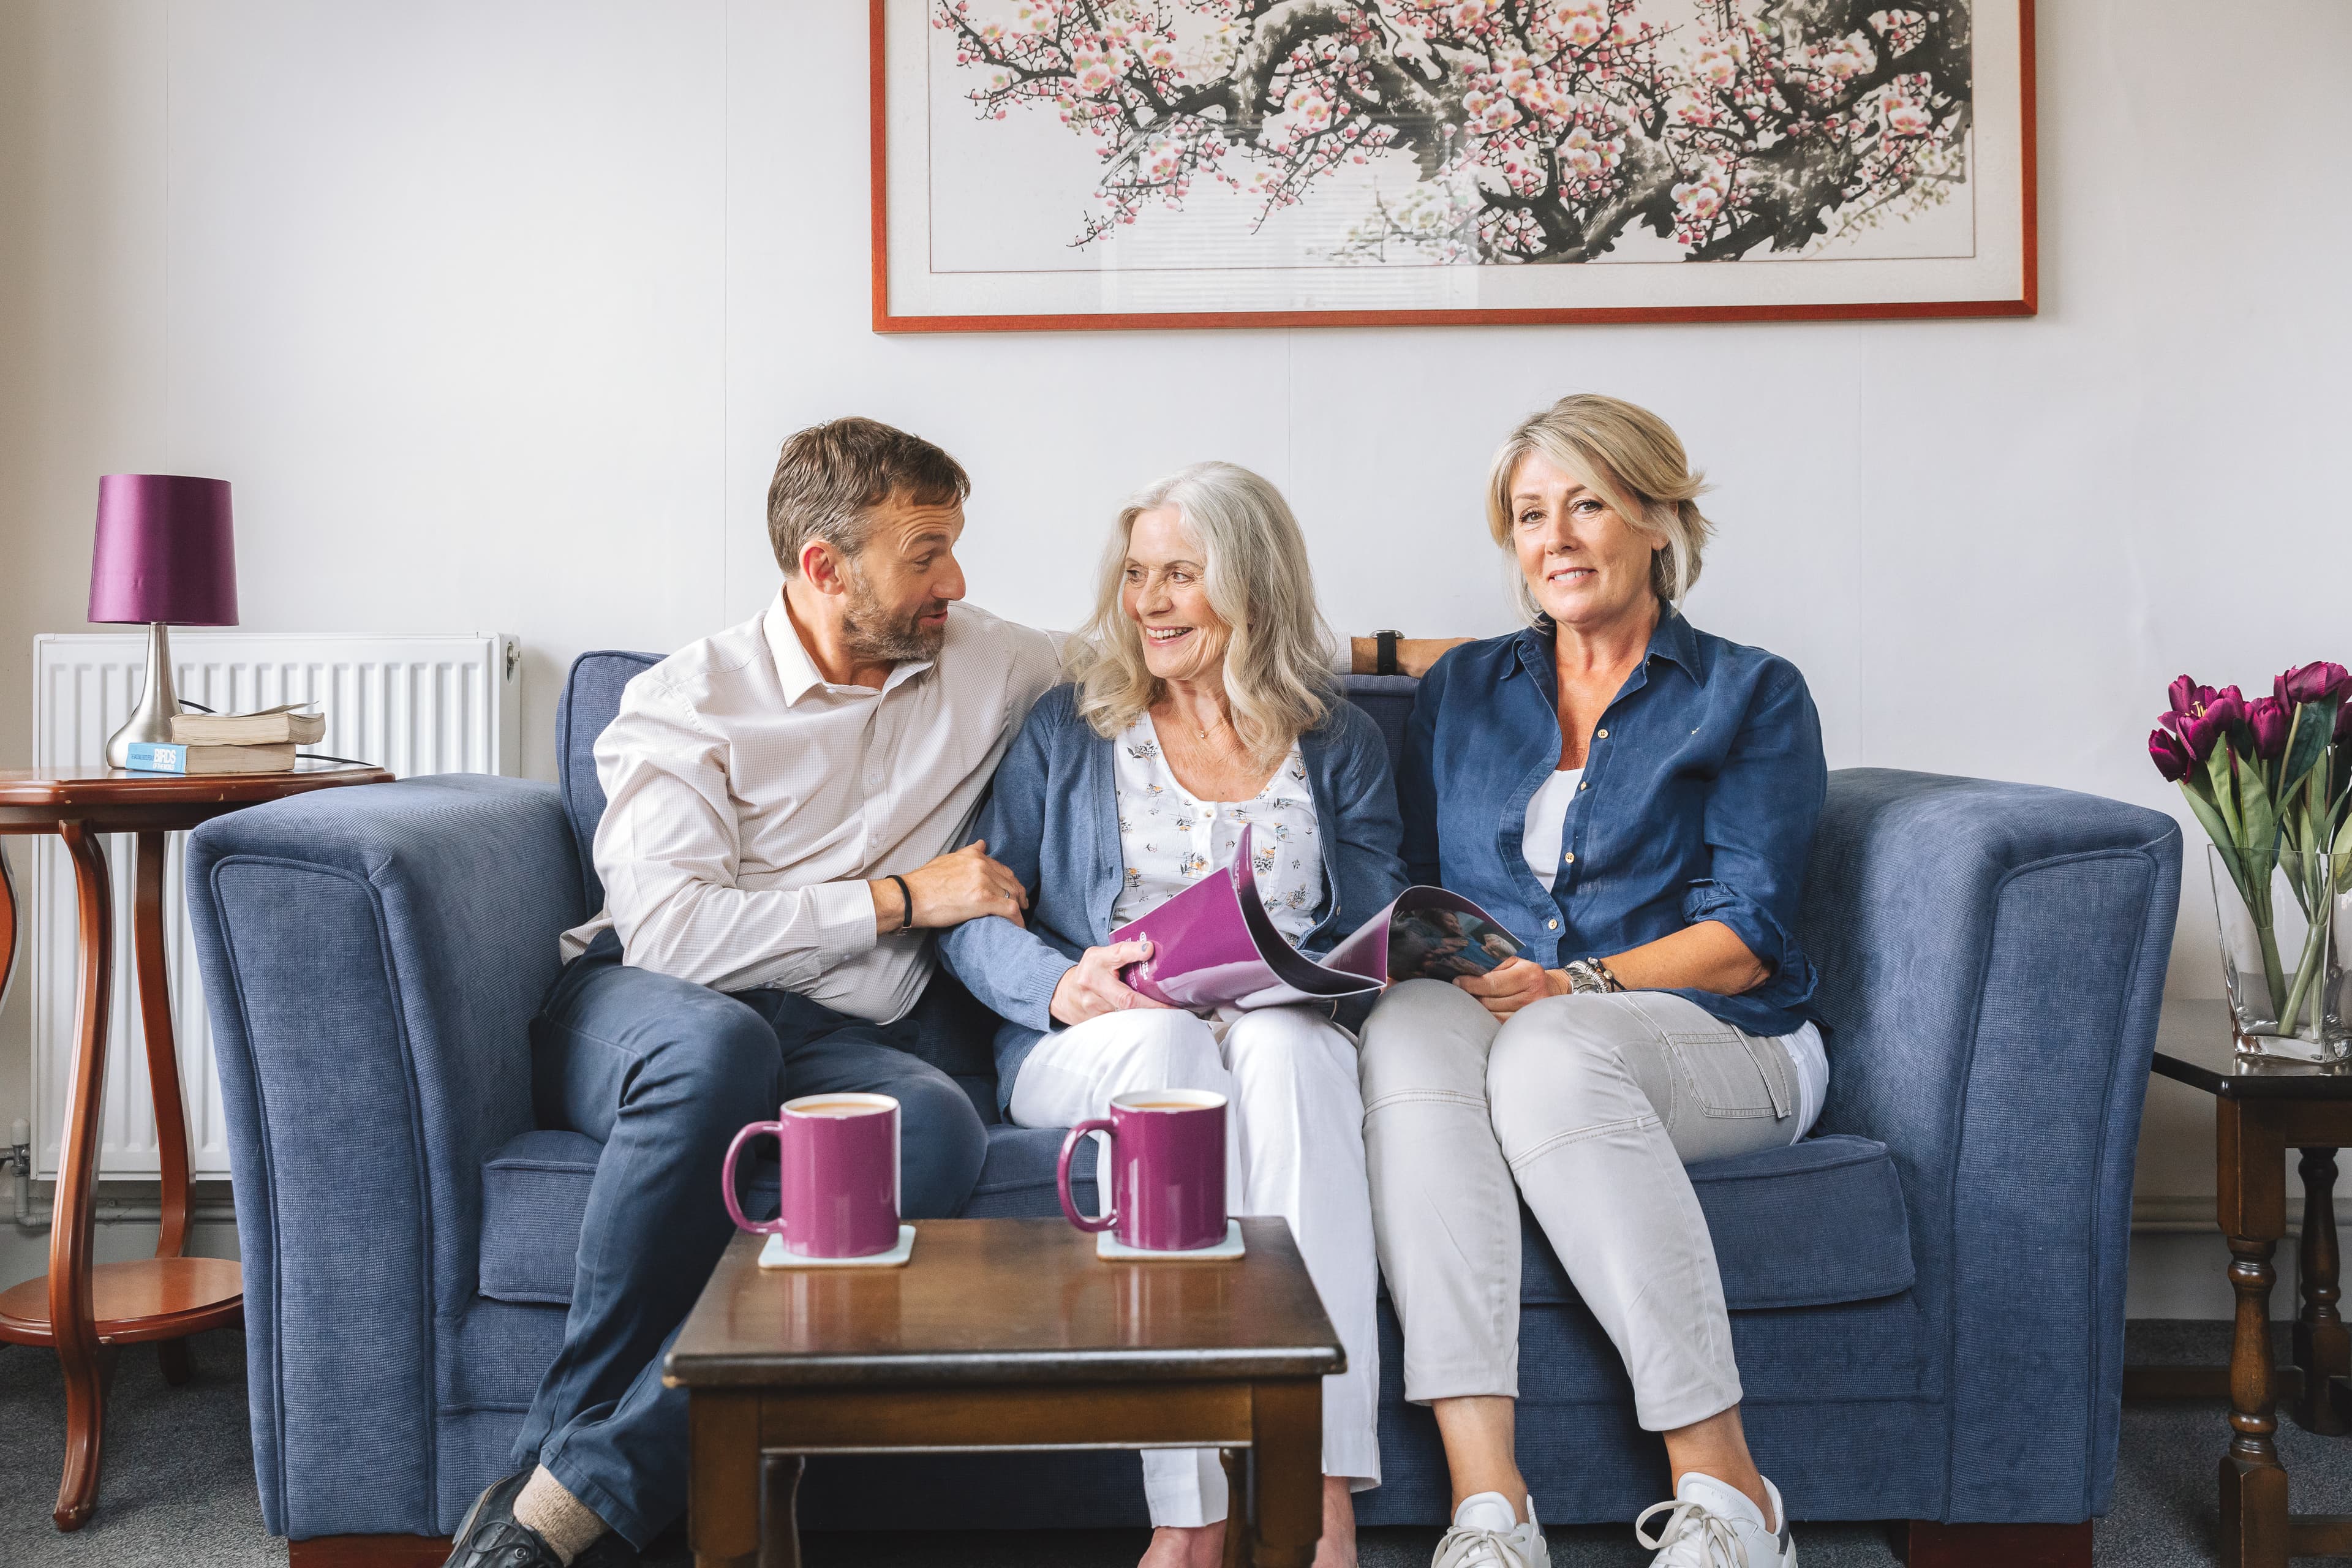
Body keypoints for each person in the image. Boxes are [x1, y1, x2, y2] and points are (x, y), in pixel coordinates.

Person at [442, 418, 1061, 1568]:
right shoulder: (688, 705)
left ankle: (562, 1502)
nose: (957, 581)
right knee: (716, 1049)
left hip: (842, 1034)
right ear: (825, 566)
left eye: (956, 549)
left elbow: (1172, 644)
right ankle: (560, 1486)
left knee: (926, 1126)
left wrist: (1397, 653)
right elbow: (676, 937)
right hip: (644, 1005)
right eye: (925, 553)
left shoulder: (987, 657)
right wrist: (896, 899)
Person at [1360, 395, 1829, 1568]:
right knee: (1407, 1036)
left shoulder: (1752, 692)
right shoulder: (1466, 690)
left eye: (1588, 505)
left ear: (1661, 519)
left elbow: (1749, 934)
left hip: (1724, 1039)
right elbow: (1419, 876)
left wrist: (1576, 983)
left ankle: (1726, 1491)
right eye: (1529, 515)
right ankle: (1490, 1509)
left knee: (1553, 1052)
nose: (1556, 537)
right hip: (1513, 1025)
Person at [941, 462, 1406, 1568]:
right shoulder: (1070, 728)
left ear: (1251, 587)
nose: (1147, 600)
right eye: (1138, 574)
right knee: (1165, 1044)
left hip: (1276, 1033)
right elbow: (969, 915)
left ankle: (1316, 1488)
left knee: (1292, 1053)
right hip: (1102, 1039)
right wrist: (1063, 985)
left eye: (1180, 576)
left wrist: (1333, 976)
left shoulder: (1339, 740)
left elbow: (1379, 921)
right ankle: (1190, 1513)